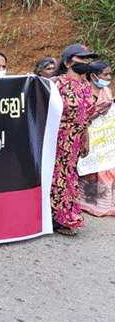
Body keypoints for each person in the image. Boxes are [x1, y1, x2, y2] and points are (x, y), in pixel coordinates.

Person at [51, 44, 98, 235]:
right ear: (68, 62)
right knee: (59, 177)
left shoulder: (86, 85)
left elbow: (85, 117)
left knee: (69, 176)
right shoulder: (57, 84)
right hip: (58, 139)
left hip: (76, 141)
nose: (86, 62)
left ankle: (63, 216)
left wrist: (86, 138)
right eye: (82, 58)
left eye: (88, 59)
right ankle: (60, 218)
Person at [79, 61, 114, 216]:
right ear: (93, 76)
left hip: (105, 138)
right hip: (89, 135)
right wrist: (97, 112)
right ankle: (91, 202)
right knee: (93, 169)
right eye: (105, 74)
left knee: (108, 167)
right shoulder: (85, 91)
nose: (109, 77)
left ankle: (107, 203)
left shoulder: (106, 90)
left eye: (110, 74)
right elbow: (81, 116)